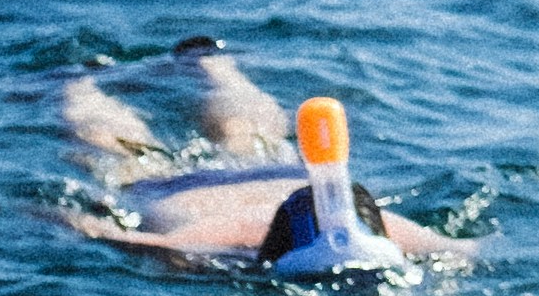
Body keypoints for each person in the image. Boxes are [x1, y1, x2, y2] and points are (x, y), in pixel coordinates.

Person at [53, 40, 450, 269]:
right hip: (174, 188)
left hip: (276, 172)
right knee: (121, 146)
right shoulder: (205, 244)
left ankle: (209, 65)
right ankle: (79, 86)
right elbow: (101, 231)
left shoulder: (402, 234)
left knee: (244, 132)